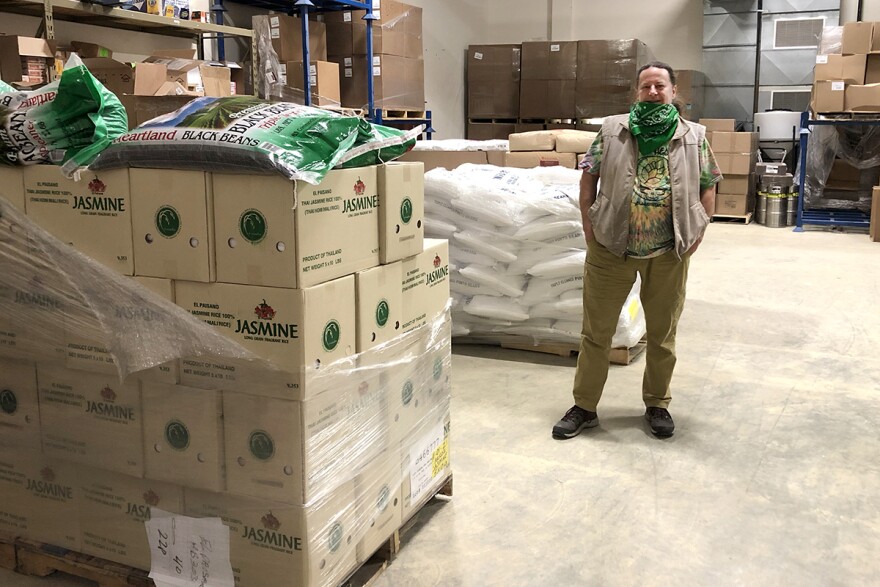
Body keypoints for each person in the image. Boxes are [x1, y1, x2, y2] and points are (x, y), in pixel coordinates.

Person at [552, 61, 721, 440]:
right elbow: (589, 175)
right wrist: (588, 221)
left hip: (668, 251)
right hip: (611, 245)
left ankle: (657, 404)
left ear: (674, 92)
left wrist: (700, 226)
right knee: (596, 332)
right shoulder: (613, 130)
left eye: (660, 86)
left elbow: (709, 182)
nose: (653, 92)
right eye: (646, 86)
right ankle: (584, 406)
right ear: (637, 92)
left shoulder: (693, 136)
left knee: (663, 334)